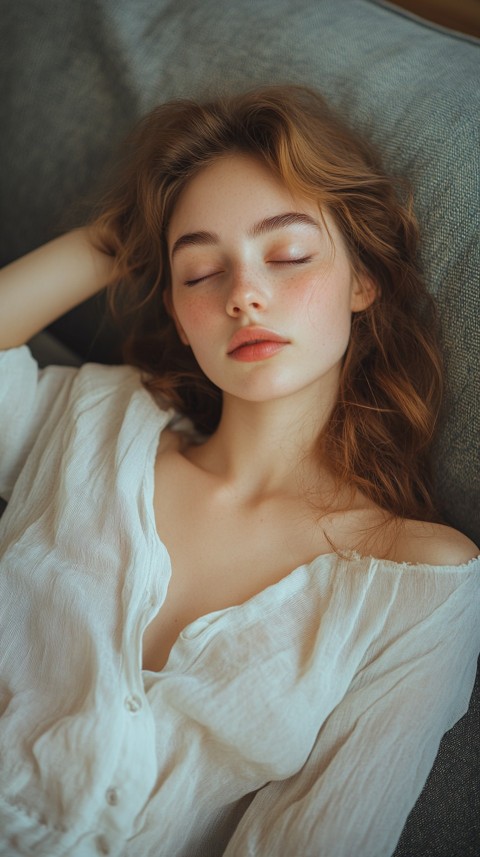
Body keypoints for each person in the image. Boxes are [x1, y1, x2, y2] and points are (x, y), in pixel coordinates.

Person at [0, 84, 478, 857]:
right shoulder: (94, 422)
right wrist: (124, 234)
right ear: (180, 318)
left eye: (287, 255)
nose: (244, 296)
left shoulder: (414, 582)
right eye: (198, 273)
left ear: (364, 280)